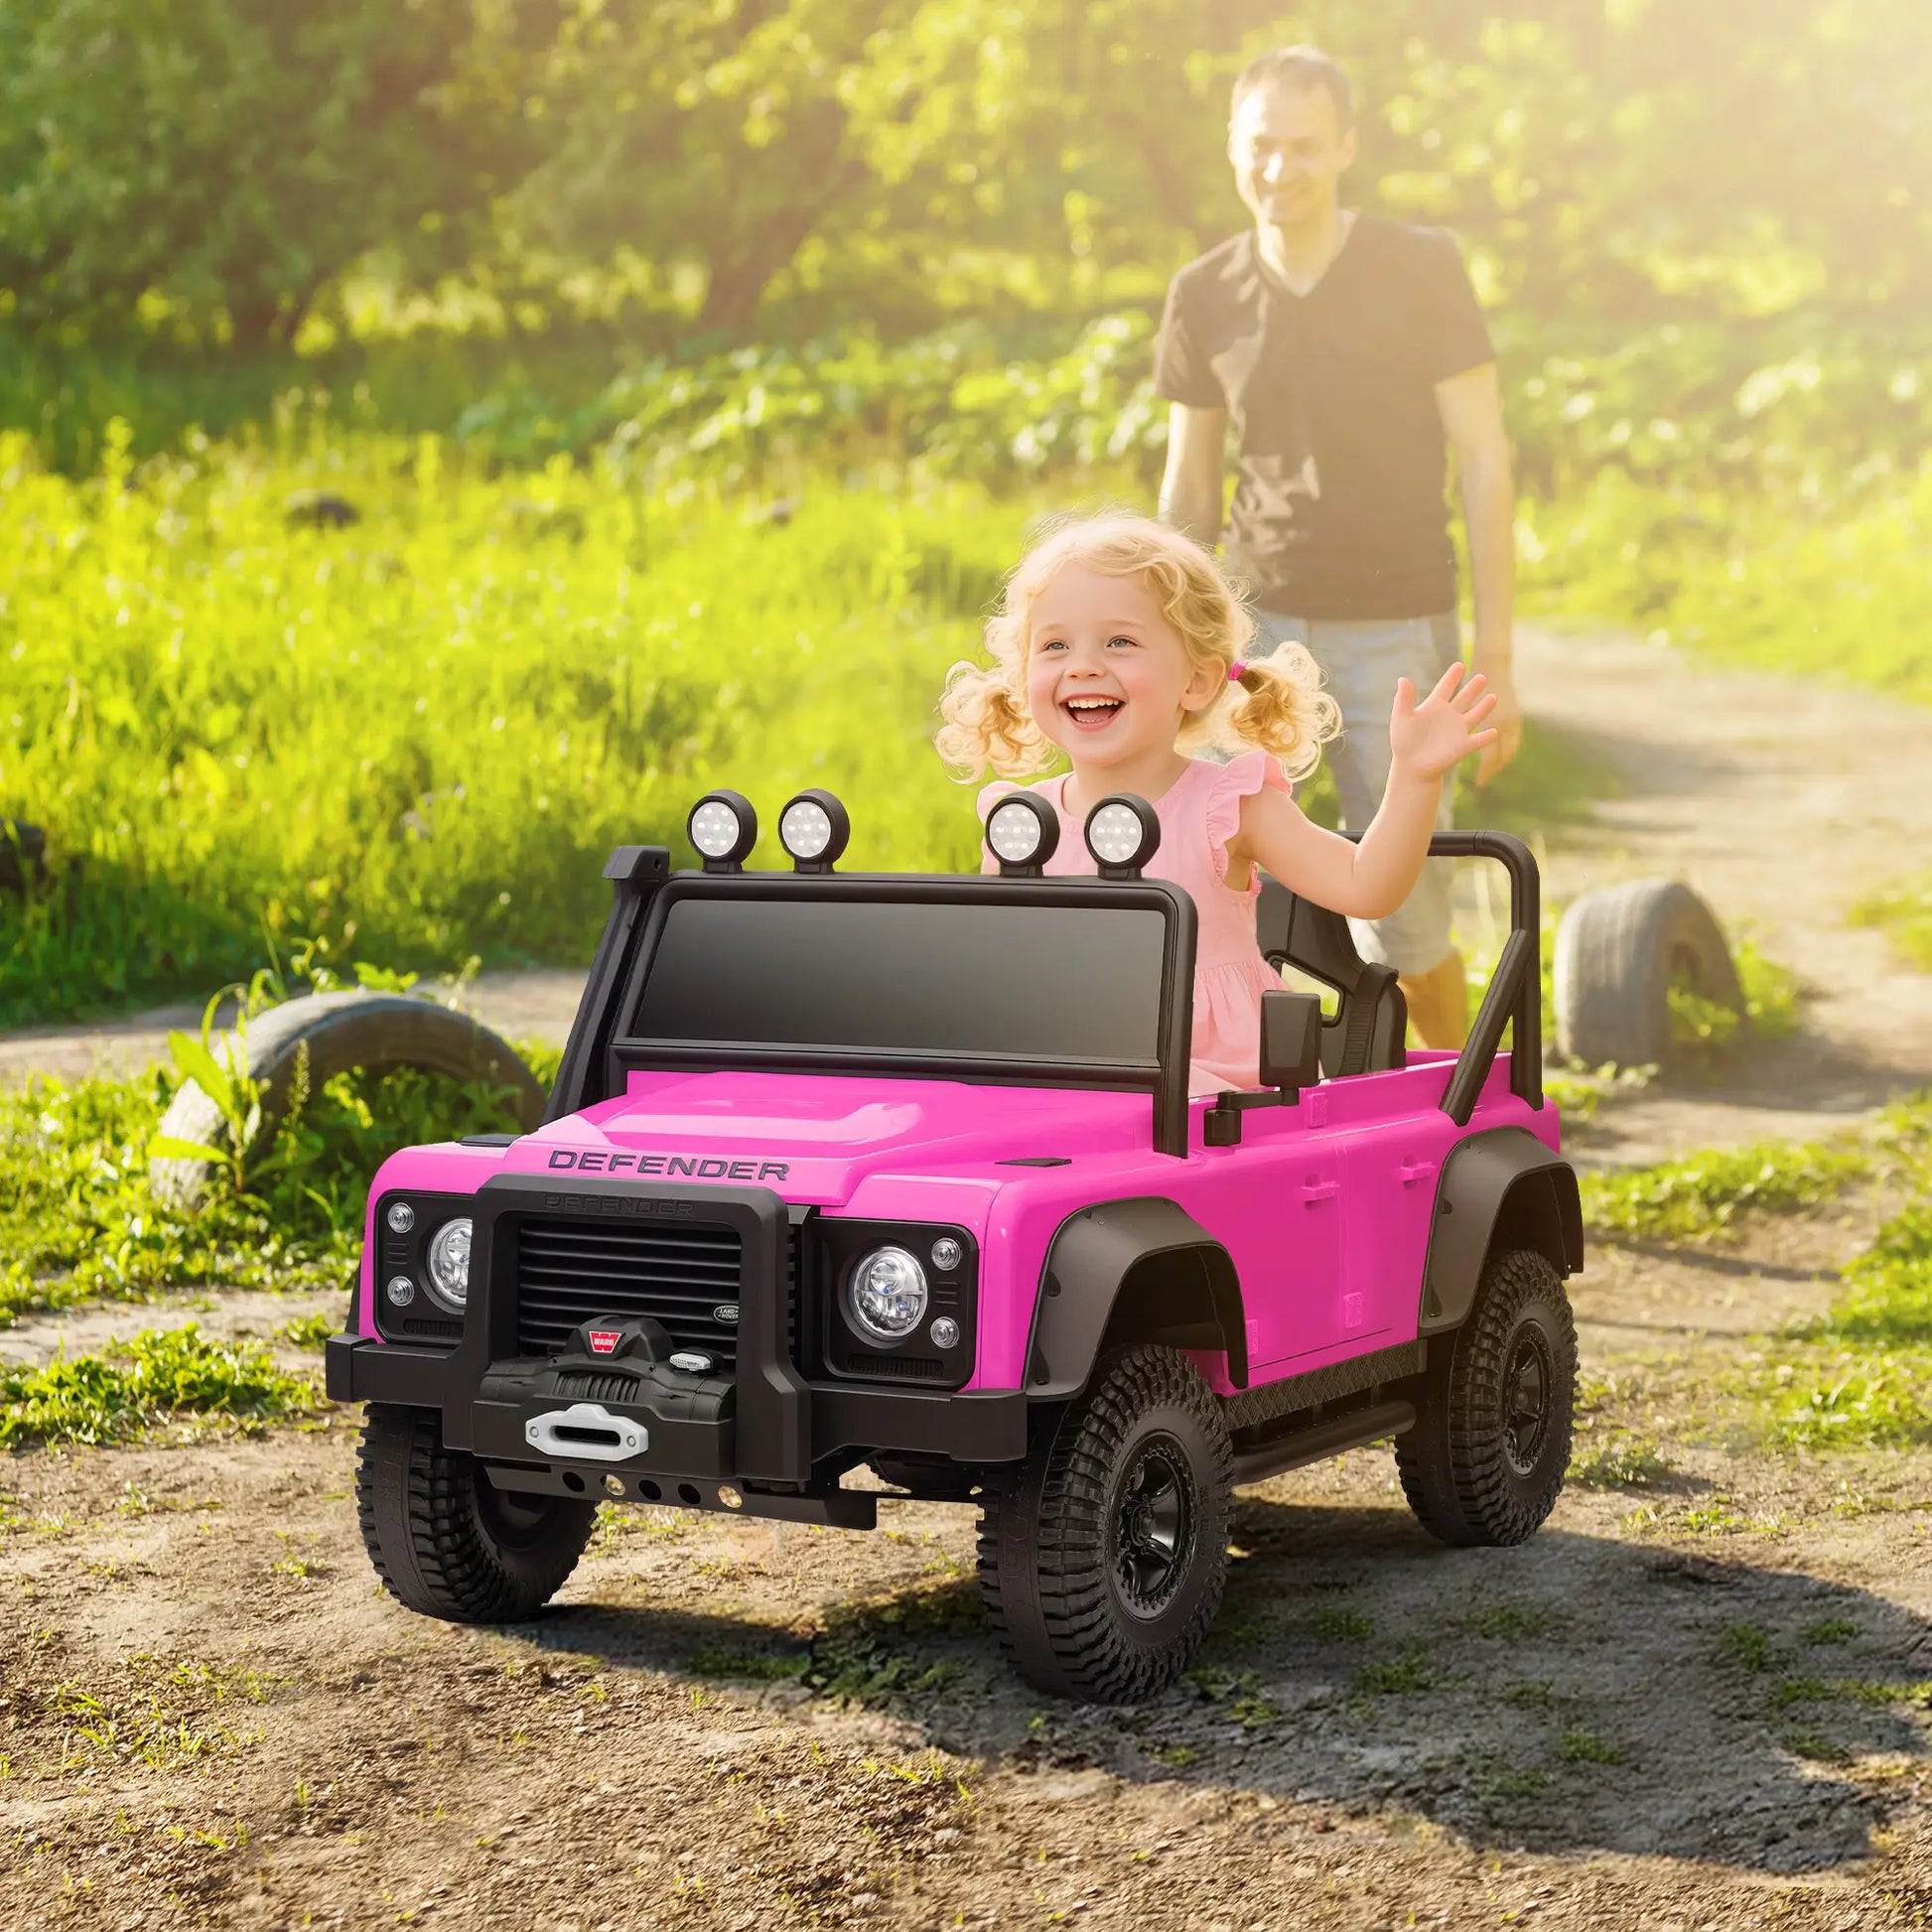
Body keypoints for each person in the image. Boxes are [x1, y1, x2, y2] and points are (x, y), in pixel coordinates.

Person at [1155, 44, 1520, 1050]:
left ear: (1346, 147)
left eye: (1303, 147)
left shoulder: (1419, 267)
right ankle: (1239, 1099)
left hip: (1394, 621)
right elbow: (1186, 490)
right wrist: (1165, 646)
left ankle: (1450, 1105)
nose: (1279, 170)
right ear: (1232, 146)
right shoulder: (1203, 292)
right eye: (1260, 147)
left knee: (1396, 910)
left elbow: (1484, 459)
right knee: (1209, 881)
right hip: (1251, 633)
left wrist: (1493, 654)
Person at [936, 512, 1495, 1096]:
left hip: (1217, 1089)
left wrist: (1414, 775)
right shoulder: (1023, 824)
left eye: (1120, 641)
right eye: (1054, 645)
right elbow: (995, 976)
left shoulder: (1226, 805)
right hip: (1074, 1074)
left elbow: (1365, 886)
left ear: (1197, 681)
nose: (1082, 664)